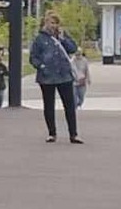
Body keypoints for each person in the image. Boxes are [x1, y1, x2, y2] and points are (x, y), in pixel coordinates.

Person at [30, 12, 84, 144]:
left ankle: (73, 134)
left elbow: (73, 49)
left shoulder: (62, 37)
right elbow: (33, 57)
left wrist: (63, 38)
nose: (53, 26)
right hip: (47, 77)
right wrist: (42, 66)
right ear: (45, 23)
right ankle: (52, 133)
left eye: (55, 23)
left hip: (64, 75)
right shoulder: (39, 39)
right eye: (51, 22)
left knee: (69, 105)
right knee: (49, 105)